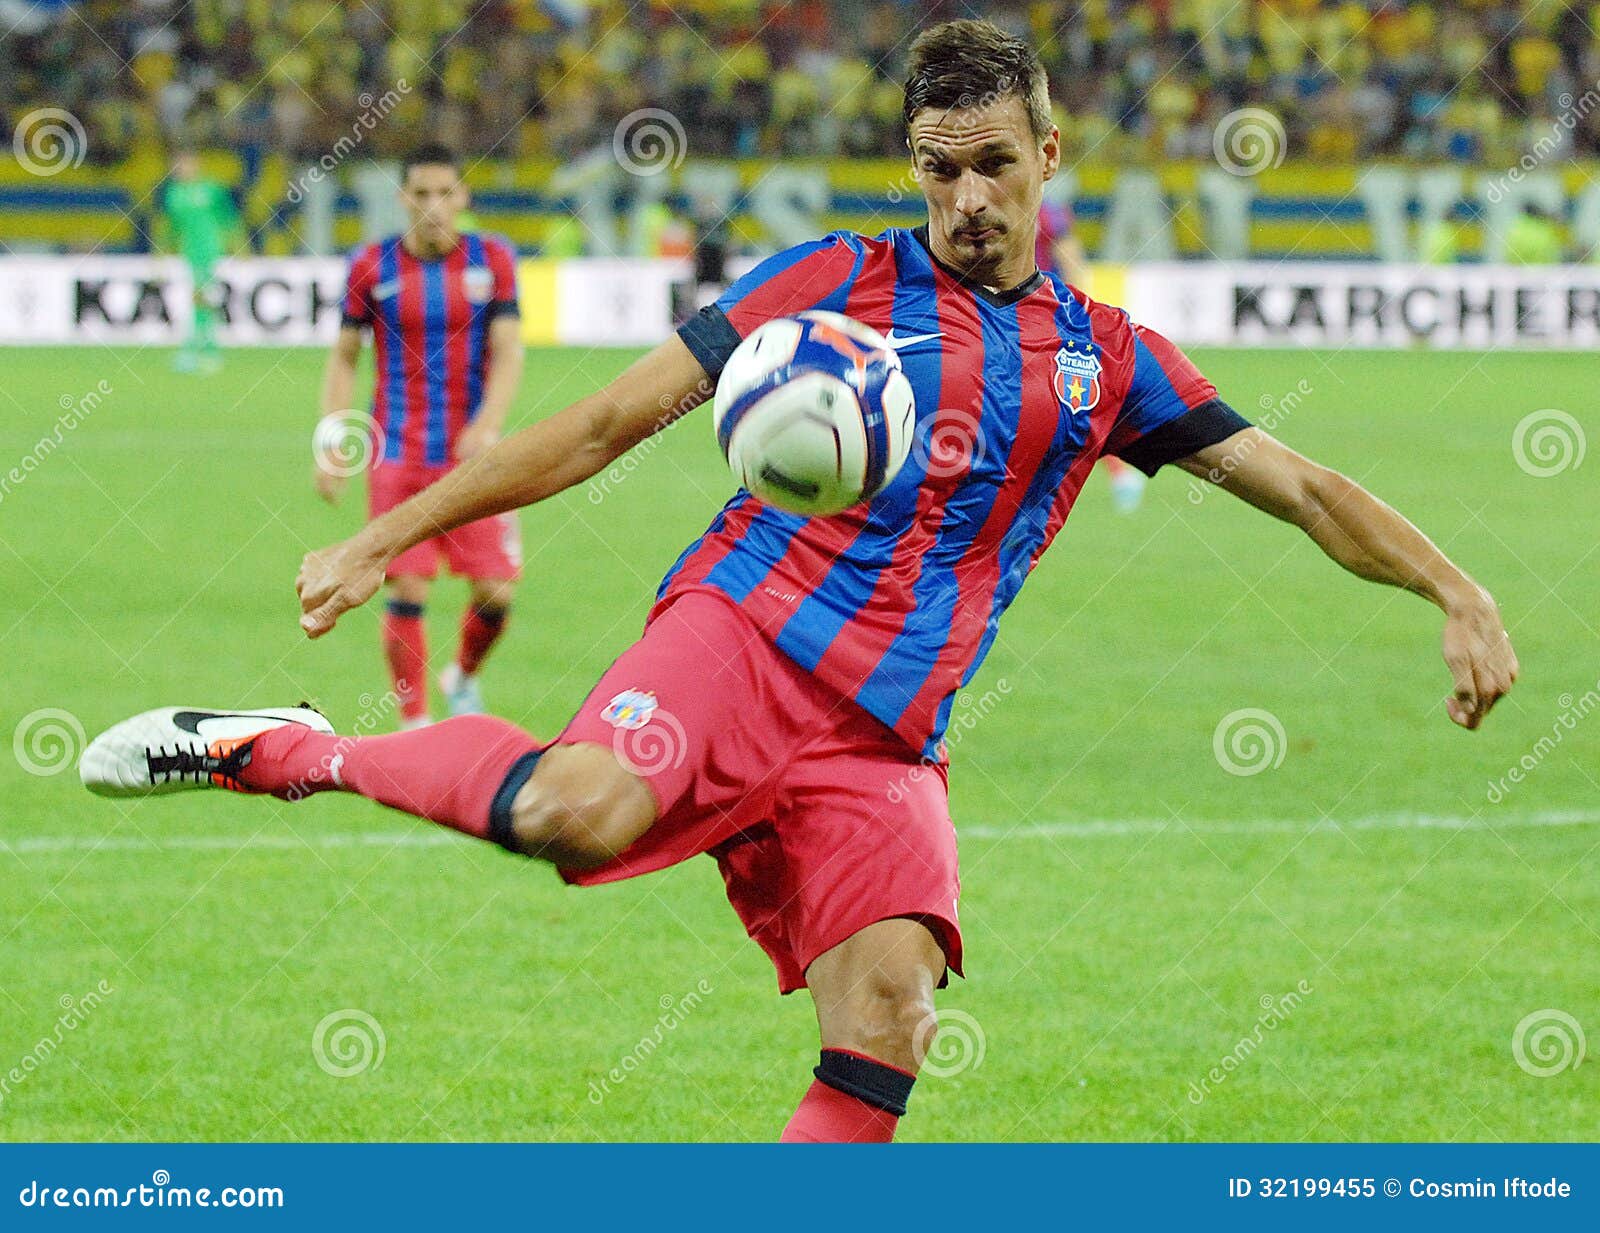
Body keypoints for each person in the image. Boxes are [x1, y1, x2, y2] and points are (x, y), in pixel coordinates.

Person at [81, 21, 1518, 1142]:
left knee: (885, 1033)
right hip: (743, 635)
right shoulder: (828, 282)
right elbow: (599, 425)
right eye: (938, 167)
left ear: (1049, 155)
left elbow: (1309, 490)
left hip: (888, 735)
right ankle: (295, 748)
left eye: (993, 165)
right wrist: (382, 537)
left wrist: (1455, 589)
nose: (965, 196)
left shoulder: (1110, 361)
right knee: (575, 818)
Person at [314, 144, 526, 727]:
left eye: (444, 193)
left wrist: (487, 424)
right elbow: (344, 357)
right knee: (406, 589)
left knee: (495, 595)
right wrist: (333, 438)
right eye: (422, 194)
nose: (433, 206)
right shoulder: (370, 266)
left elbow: (509, 352)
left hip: (472, 459)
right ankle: (415, 723)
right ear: (404, 199)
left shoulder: (494, 259)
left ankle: (462, 674)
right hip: (398, 456)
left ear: (462, 198)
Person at [1037, 192, 1146, 512]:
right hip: (1025, 315)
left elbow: (1069, 256)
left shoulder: (1044, 210)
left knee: (1072, 403)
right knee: (1068, 404)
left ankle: (1118, 473)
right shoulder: (1036, 207)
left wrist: (1077, 316)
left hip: (1045, 315)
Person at [159, 149, 239, 374]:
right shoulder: (173, 194)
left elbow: (229, 219)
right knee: (201, 299)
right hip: (189, 251)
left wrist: (237, 245)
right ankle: (207, 349)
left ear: (197, 164)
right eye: (179, 166)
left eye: (187, 164)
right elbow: (171, 226)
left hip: (210, 249)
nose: (183, 169)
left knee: (200, 298)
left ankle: (198, 351)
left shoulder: (212, 189)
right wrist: (163, 251)